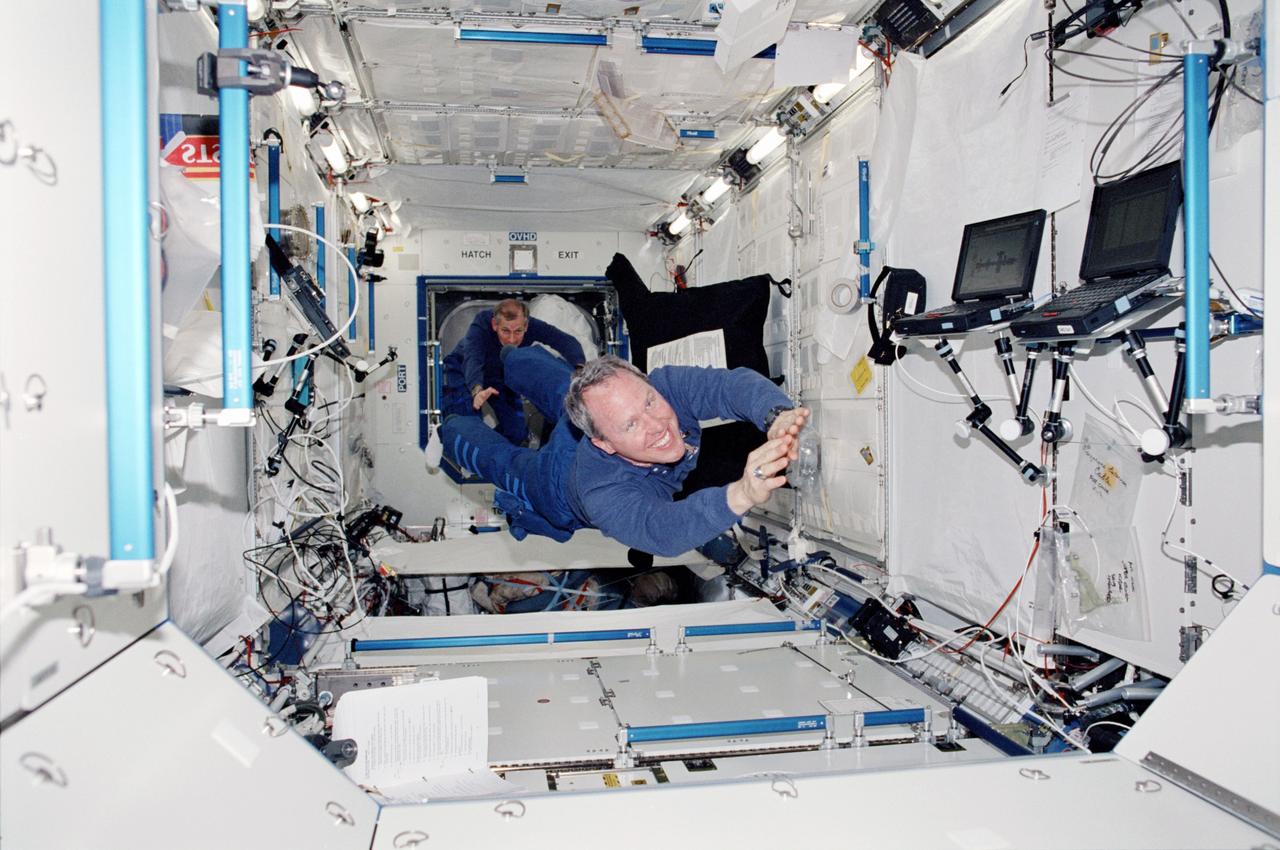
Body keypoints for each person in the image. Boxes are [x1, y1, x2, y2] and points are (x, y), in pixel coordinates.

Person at [440, 347, 808, 557]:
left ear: (649, 385)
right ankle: (450, 425)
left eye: (650, 403)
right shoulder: (601, 490)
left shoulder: (664, 387)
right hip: (556, 484)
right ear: (603, 442)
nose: (658, 425)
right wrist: (741, 493)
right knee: (501, 462)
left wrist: (774, 414)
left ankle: (506, 357)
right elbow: (661, 530)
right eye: (631, 424)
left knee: (552, 376)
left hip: (598, 424)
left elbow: (728, 387)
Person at [439, 298, 586, 445]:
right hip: (463, 372)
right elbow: (473, 357)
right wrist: (477, 390)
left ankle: (490, 454)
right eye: (505, 331)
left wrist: (580, 371)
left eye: (518, 332)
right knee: (467, 428)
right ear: (494, 325)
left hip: (498, 376)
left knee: (516, 432)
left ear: (526, 326)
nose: (511, 339)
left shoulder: (532, 325)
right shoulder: (482, 324)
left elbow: (565, 341)